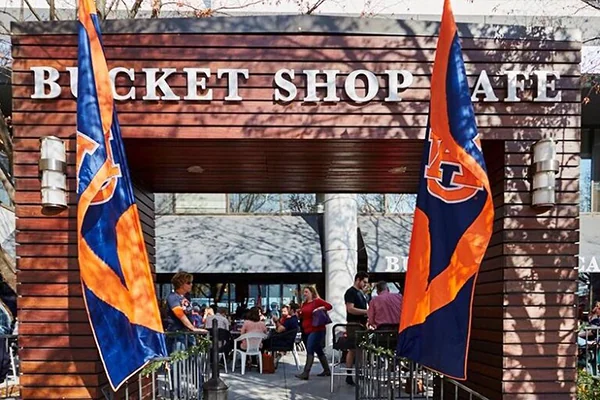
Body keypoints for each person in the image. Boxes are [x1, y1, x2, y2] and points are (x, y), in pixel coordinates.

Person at [296, 286, 332, 380]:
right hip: (307, 330)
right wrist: (299, 313)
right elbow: (304, 315)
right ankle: (327, 370)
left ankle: (306, 372)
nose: (305, 294)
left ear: (312, 292)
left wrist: (319, 309)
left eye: (306, 292)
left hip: (317, 329)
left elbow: (329, 306)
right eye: (304, 292)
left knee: (310, 348)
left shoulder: (317, 301)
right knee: (318, 349)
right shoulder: (304, 304)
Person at [164, 272, 206, 352]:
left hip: (187, 333)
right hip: (177, 333)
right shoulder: (173, 297)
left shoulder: (186, 297)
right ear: (181, 284)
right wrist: (193, 328)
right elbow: (180, 314)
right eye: (188, 283)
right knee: (179, 361)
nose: (191, 285)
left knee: (190, 360)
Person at [344, 271, 369, 385]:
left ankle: (360, 374)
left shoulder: (360, 293)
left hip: (361, 324)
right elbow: (350, 309)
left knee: (361, 350)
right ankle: (349, 375)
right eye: (364, 282)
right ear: (358, 280)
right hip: (354, 324)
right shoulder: (350, 292)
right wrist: (366, 312)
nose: (365, 284)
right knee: (353, 349)